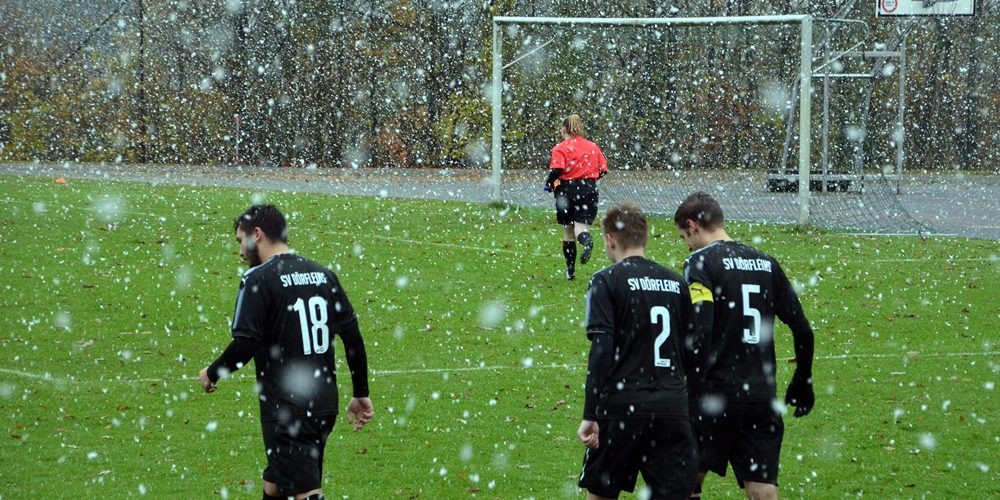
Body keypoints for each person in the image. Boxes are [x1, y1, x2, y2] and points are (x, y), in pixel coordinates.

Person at [199, 204, 373, 500]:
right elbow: (352, 337)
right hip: (323, 404)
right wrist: (360, 391)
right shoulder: (322, 274)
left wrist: (212, 372)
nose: (241, 252)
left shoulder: (258, 279)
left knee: (307, 493)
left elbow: (245, 343)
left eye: (241, 241)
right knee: (276, 483)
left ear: (257, 234)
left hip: (287, 409)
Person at [673, 192, 815, 500]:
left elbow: (702, 331)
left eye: (684, 236)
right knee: (761, 488)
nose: (686, 244)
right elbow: (803, 328)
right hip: (760, 395)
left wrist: (691, 389)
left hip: (715, 392)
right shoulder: (766, 263)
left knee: (685, 479)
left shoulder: (699, 263)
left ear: (693, 225)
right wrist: (803, 378)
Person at [576, 203, 698, 500]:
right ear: (644, 237)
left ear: (609, 239)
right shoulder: (676, 283)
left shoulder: (605, 280)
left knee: (601, 493)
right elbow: (691, 350)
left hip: (623, 406)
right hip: (671, 407)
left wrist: (591, 413)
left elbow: (602, 350)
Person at [544, 113, 608, 280]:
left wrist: (549, 183)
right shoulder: (592, 147)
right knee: (580, 227)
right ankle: (586, 241)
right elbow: (603, 169)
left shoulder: (560, 148)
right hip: (589, 189)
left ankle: (570, 271)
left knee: (567, 231)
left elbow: (557, 170)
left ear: (565, 129)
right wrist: (589, 181)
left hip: (567, 191)